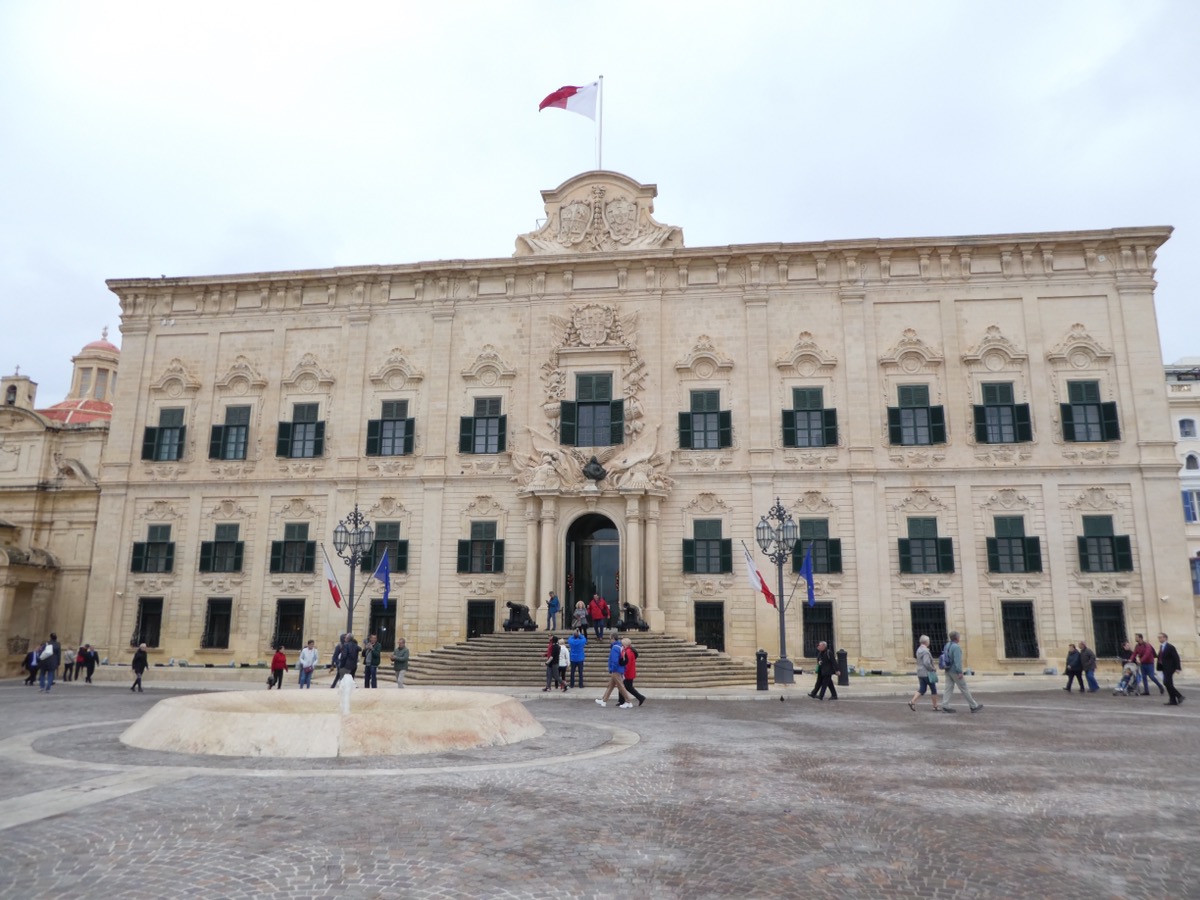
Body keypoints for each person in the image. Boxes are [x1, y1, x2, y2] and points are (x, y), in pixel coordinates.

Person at [940, 631, 982, 714]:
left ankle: (945, 705)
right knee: (964, 687)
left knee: (948, 688)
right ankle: (973, 705)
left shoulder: (947, 645)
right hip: (954, 671)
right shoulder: (956, 647)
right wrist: (959, 672)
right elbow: (957, 661)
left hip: (947, 669)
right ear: (957, 638)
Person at [596, 634, 632, 708]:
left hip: (616, 669)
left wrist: (612, 668)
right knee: (610, 686)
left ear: (613, 639)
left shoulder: (615, 648)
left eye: (610, 639)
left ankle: (628, 701)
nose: (609, 640)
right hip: (619, 669)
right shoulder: (620, 646)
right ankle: (604, 700)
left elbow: (614, 660)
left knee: (621, 686)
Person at [909, 635, 941, 712]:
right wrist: (932, 668)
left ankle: (912, 701)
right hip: (927, 673)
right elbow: (926, 663)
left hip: (920, 672)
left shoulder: (918, 650)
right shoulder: (926, 651)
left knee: (922, 689)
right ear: (926, 642)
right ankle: (935, 705)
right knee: (933, 689)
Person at [1158, 632, 1184, 706]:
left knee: (1166, 682)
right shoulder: (1161, 646)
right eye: (1158, 637)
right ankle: (1173, 700)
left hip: (1170, 668)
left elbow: (1176, 657)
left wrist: (1178, 667)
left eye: (1161, 637)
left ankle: (1179, 696)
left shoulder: (1170, 647)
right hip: (1164, 668)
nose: (1159, 639)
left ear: (1165, 638)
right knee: (1169, 683)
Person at [621, 637, 646, 706]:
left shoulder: (628, 652)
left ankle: (640, 697)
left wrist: (624, 672)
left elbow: (627, 664)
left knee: (626, 687)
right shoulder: (629, 650)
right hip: (630, 672)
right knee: (626, 686)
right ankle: (622, 700)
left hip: (628, 673)